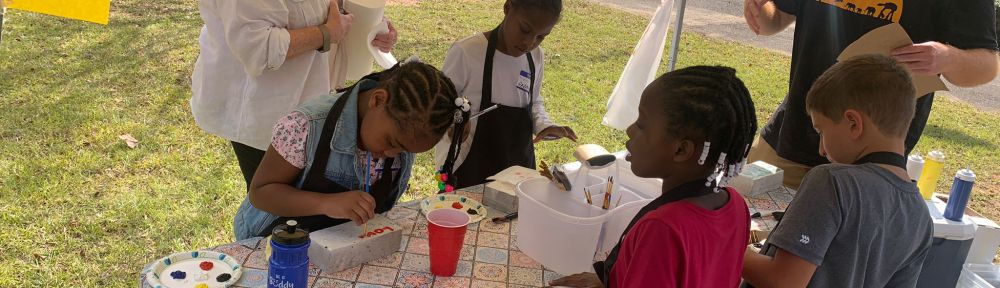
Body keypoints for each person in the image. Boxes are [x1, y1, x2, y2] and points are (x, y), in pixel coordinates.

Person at [743, 0, 1000, 188]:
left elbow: (987, 65)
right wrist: (760, 9)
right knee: (749, 233)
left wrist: (947, 58)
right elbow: (775, 18)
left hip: (870, 165)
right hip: (792, 136)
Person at [550, 66, 756, 288]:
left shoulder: (662, 228)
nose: (629, 130)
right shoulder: (736, 206)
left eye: (642, 125)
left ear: (680, 150)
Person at [741, 55, 934, 287]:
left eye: (821, 131)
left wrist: (720, 244)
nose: (822, 150)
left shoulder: (833, 181)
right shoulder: (921, 216)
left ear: (853, 123)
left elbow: (783, 282)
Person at [232, 60, 459, 240]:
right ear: (378, 100)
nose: (392, 155)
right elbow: (261, 193)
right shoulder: (306, 127)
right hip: (276, 242)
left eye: (405, 151)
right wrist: (326, 203)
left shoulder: (404, 133)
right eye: (391, 142)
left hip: (339, 244)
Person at [190, 0, 399, 192]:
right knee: (272, 204)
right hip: (259, 107)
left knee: (300, 200)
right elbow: (257, 47)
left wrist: (372, 28)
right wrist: (326, 33)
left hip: (309, 98)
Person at [432, 0, 577, 188]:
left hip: (517, 170)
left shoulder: (535, 57)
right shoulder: (467, 53)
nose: (529, 42)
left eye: (541, 36)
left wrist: (544, 125)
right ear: (507, 8)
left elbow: (533, 101)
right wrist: (454, 124)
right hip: (469, 169)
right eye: (525, 29)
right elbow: (439, 107)